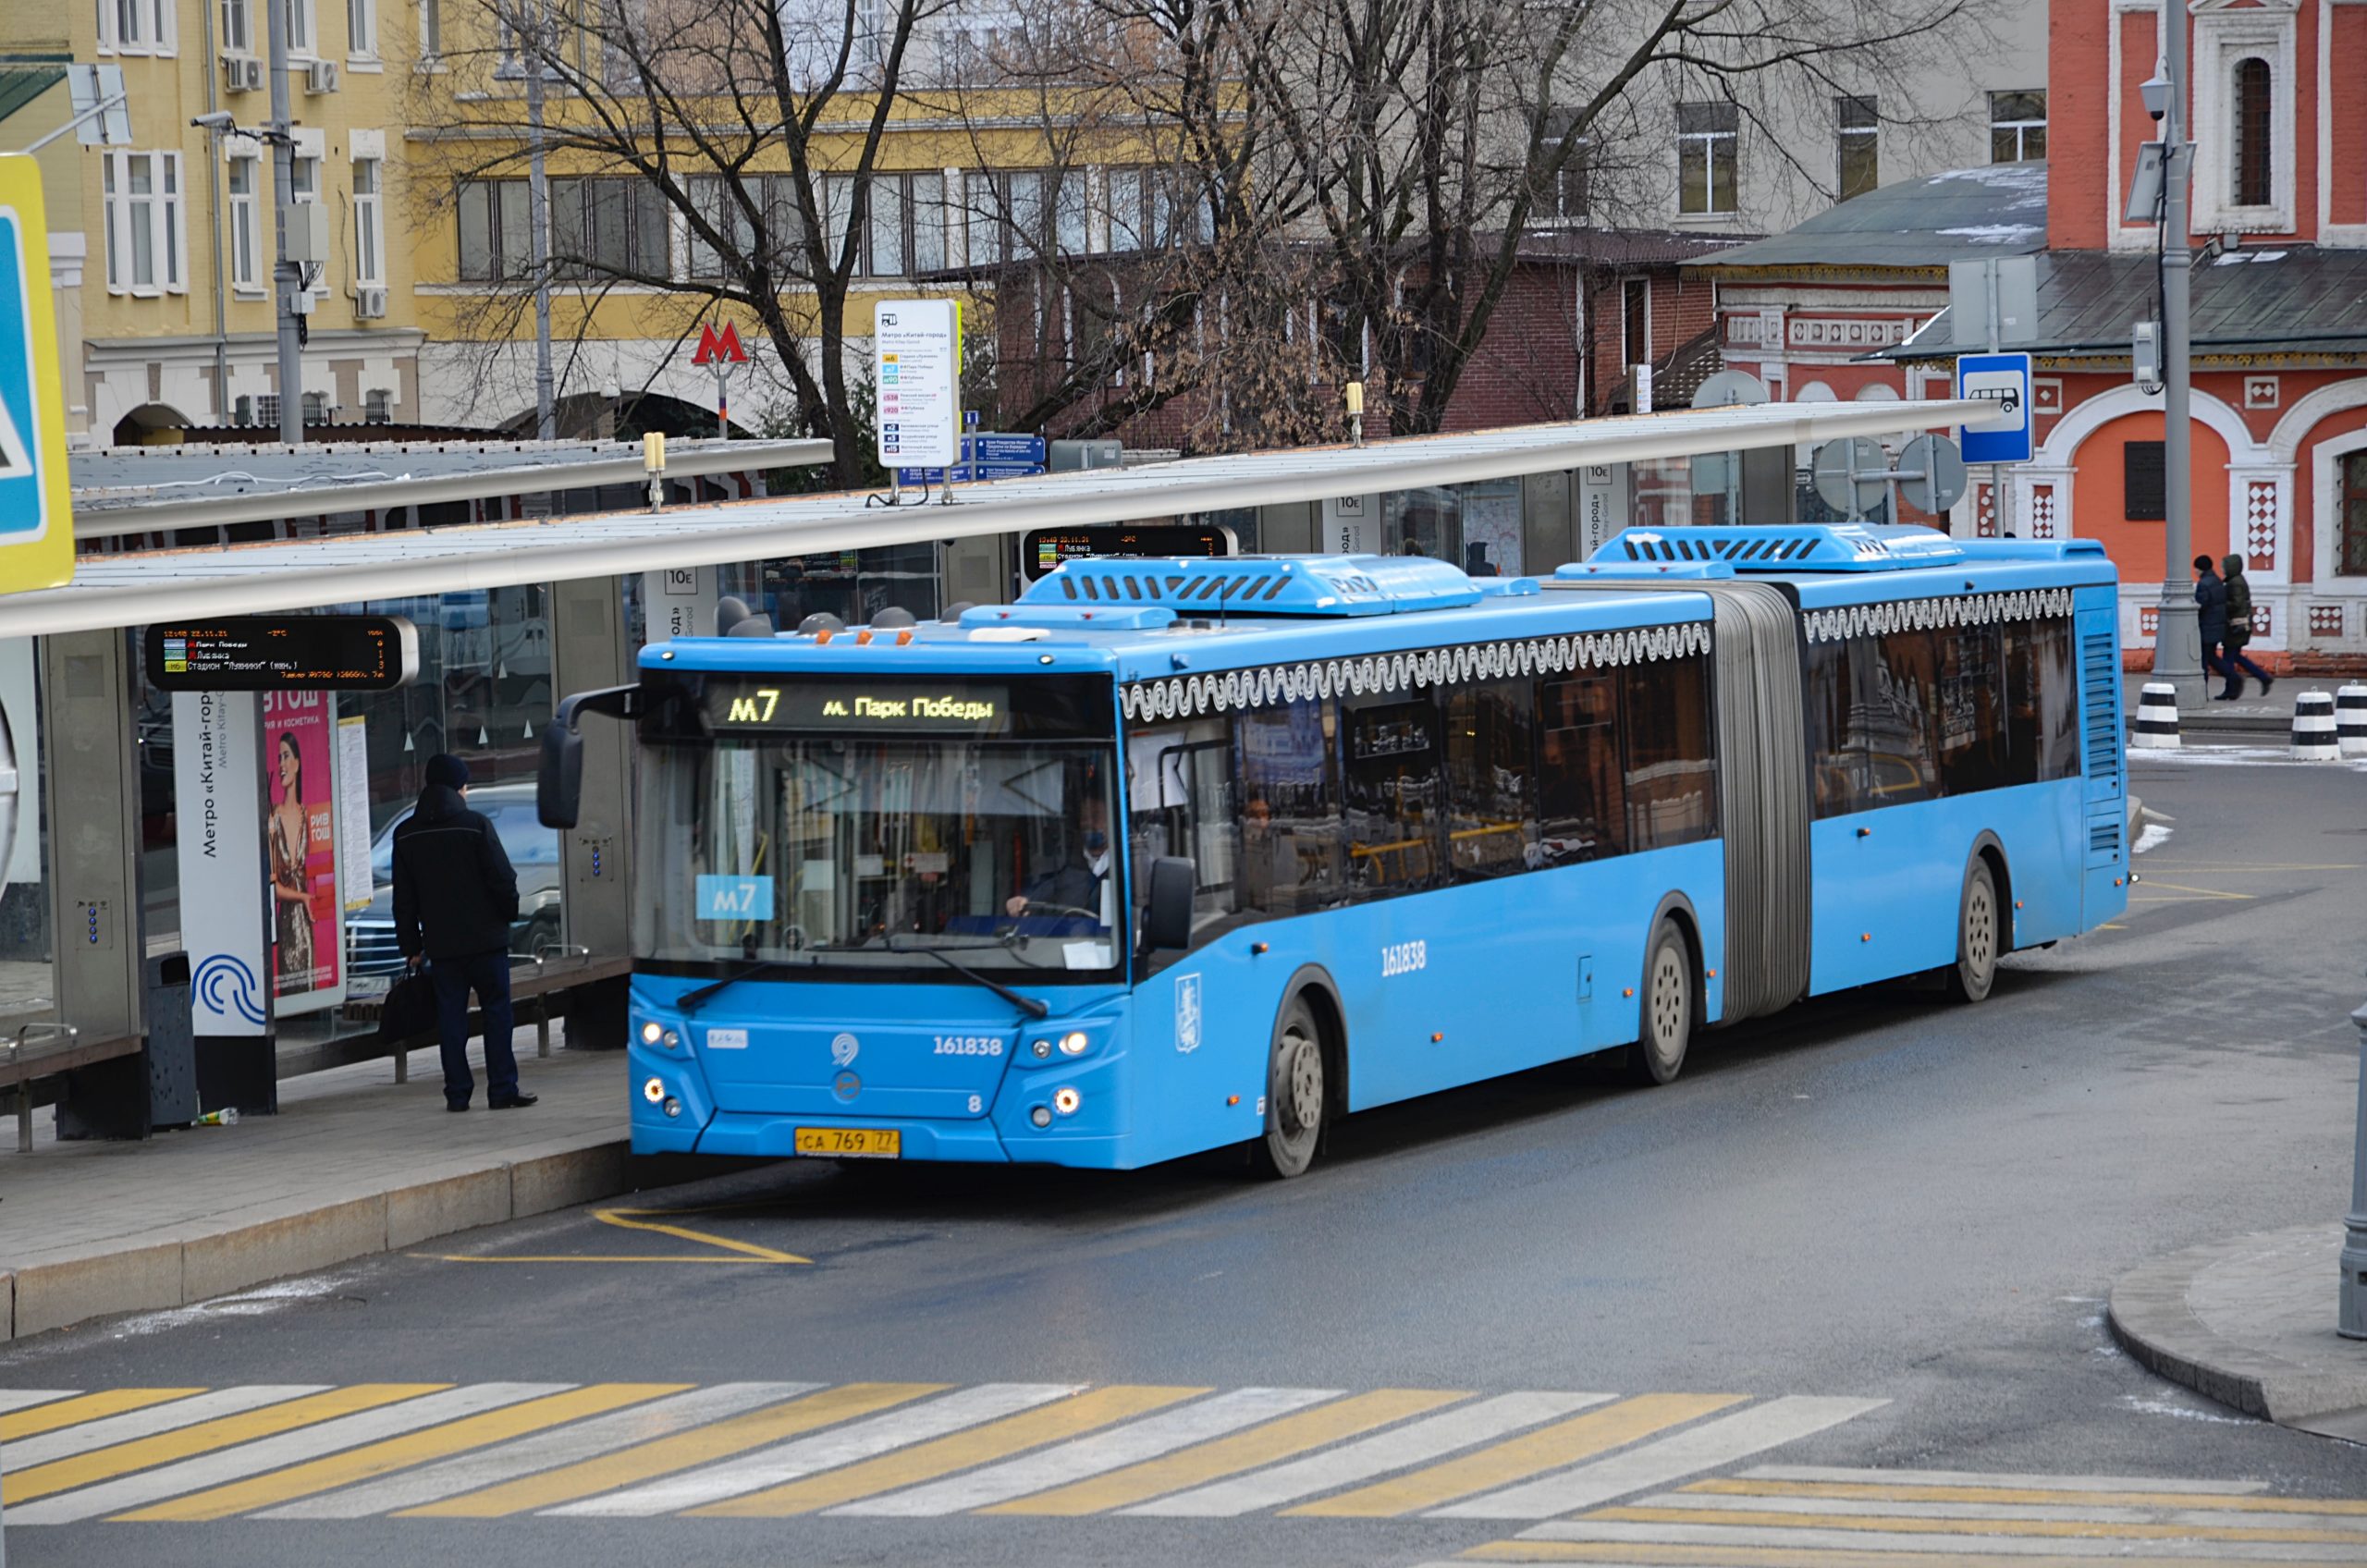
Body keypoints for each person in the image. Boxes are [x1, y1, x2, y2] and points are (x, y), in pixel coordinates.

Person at [392, 753, 533, 1111]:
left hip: (443, 948)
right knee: (497, 1013)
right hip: (487, 942)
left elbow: (404, 898)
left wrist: (411, 944)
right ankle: (502, 1089)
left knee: (451, 1020)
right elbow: (503, 879)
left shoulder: (406, 835)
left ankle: (457, 1094)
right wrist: (508, 916)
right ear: (459, 786)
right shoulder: (476, 826)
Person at [1005, 793, 1112, 928]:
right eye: (1085, 818)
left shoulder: (1127, 866)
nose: (1089, 823)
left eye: (1095, 816)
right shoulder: (1069, 866)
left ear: (1111, 820)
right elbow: (1046, 889)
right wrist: (1023, 900)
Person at [267, 730, 314, 993]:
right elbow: (274, 887)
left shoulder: (305, 813)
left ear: (297, 763)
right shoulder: (273, 819)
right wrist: (304, 898)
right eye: (278, 758)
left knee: (309, 983)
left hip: (307, 927)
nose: (281, 765)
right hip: (287, 928)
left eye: (286, 756)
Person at [2219, 553, 2273, 700]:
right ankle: (2262, 677)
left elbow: (2236, 604)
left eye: (2224, 566)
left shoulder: (2235, 583)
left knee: (2229, 657)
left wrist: (2220, 604)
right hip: (2240, 625)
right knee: (2234, 655)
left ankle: (2231, 688)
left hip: (2236, 625)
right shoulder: (2236, 580)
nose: (2222, 569)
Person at [2192, 554, 2237, 699]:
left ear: (2200, 569)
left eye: (2196, 569)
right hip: (2217, 625)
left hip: (2207, 627)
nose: (2195, 571)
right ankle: (2232, 677)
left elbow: (2201, 605)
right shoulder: (2217, 580)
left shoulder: (2203, 584)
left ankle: (2202, 693)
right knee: (2211, 657)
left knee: (2203, 661)